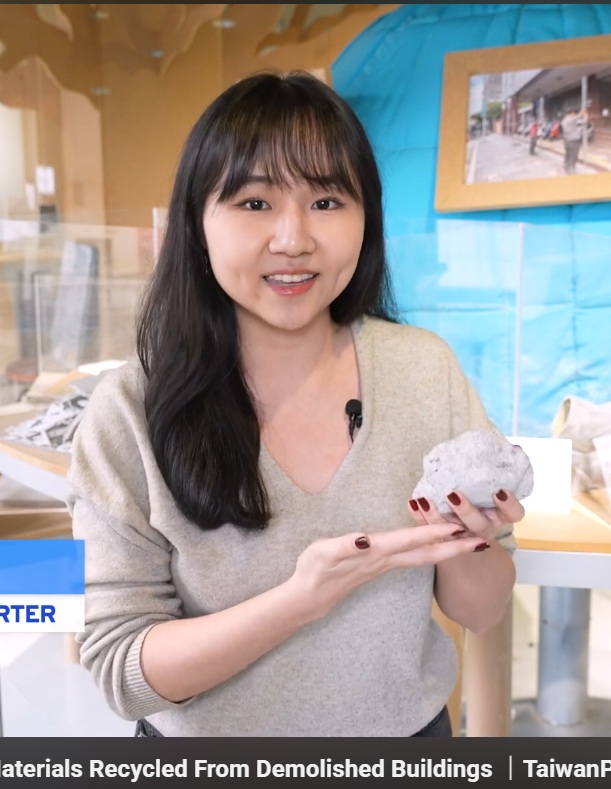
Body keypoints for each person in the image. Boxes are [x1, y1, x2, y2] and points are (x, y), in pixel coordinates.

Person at [66, 70, 523, 738]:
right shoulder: (128, 410)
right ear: (197, 224)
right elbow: (119, 672)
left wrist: (467, 542)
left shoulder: (425, 368)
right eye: (254, 202)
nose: (293, 238)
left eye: (327, 201)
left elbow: (481, 611)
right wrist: (300, 601)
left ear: (366, 219)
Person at [560, 106, 588, 175]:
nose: (575, 114)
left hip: (567, 140)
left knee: (568, 155)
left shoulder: (564, 120)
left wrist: (585, 116)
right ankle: (571, 170)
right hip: (573, 141)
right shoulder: (570, 119)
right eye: (574, 113)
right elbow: (580, 115)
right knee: (573, 156)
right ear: (571, 113)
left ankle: (566, 167)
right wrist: (583, 111)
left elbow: (583, 121)